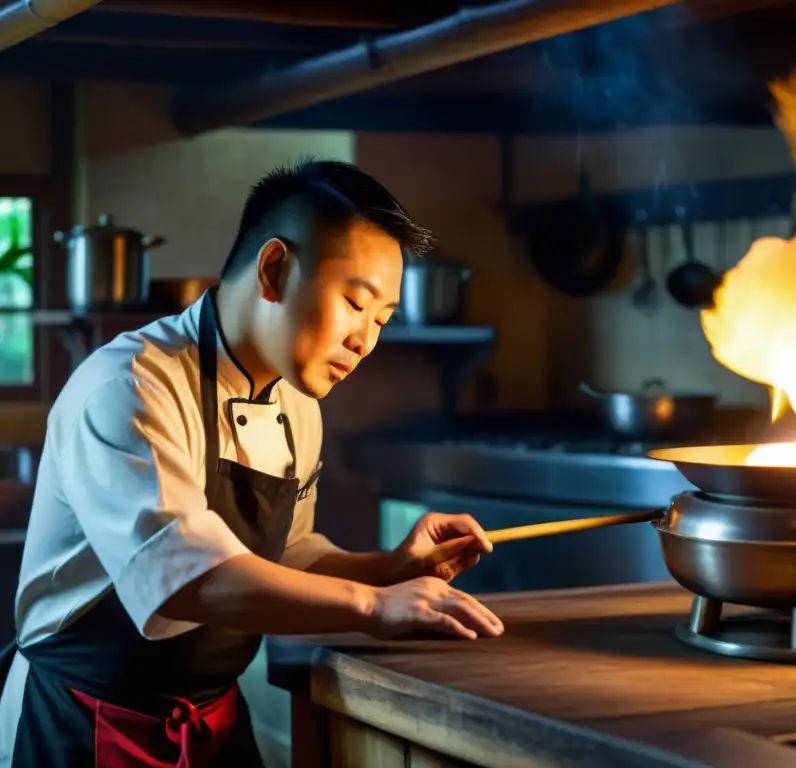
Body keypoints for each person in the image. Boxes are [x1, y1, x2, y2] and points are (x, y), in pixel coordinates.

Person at [0, 158, 504, 767]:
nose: (365, 340)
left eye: (382, 319)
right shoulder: (129, 386)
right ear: (274, 270)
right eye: (354, 302)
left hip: (211, 722)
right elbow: (188, 578)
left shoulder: (298, 403)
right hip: (82, 723)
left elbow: (286, 554)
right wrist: (372, 608)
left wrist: (388, 569)